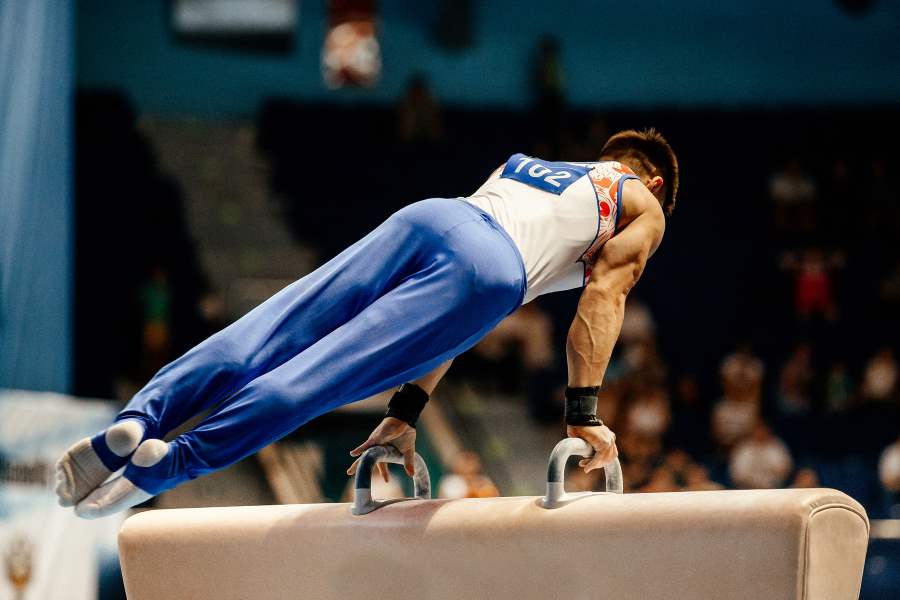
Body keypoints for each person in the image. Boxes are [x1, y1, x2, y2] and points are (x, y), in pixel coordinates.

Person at [55, 129, 679, 518]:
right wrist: (583, 414)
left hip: (436, 216)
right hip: (490, 272)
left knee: (272, 328)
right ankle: (162, 468)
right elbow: (601, 303)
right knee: (318, 377)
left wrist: (405, 414)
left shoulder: (539, 170)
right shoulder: (641, 205)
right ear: (650, 181)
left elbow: (456, 328)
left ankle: (137, 420)